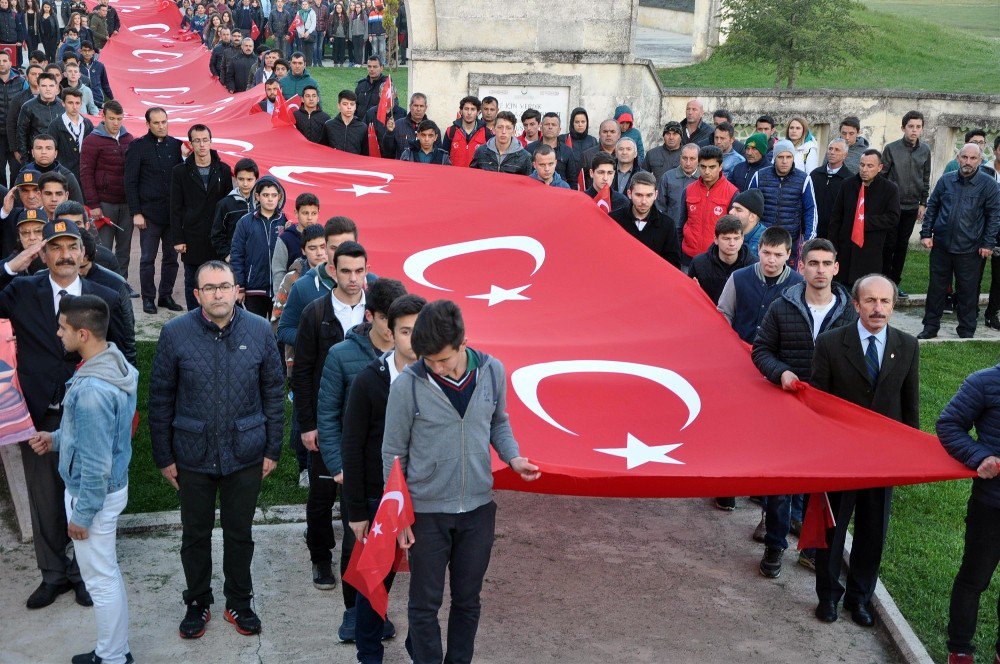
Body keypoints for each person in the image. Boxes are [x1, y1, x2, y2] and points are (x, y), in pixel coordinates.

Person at [381, 300, 539, 663]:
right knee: (425, 603)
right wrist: (399, 515)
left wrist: (512, 457)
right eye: (428, 360)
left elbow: (498, 421)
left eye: (443, 360)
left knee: (468, 601)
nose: (435, 367)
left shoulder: (493, 370)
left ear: (463, 342)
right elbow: (392, 456)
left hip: (478, 510)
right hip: (426, 512)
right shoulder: (408, 384)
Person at [0, 217, 131, 611]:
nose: (64, 255)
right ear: (43, 253)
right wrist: (11, 266)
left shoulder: (104, 293)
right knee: (44, 499)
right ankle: (53, 575)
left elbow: (123, 350)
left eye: (71, 246)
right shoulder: (22, 290)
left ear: (83, 251)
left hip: (88, 415)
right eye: (54, 247)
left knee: (84, 493)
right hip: (38, 415)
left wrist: (126, 406)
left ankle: (81, 575)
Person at [149, 260, 284, 640]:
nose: (218, 293)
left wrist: (272, 447)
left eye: (224, 286)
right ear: (197, 295)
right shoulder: (175, 333)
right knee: (195, 533)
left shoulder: (259, 331)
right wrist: (164, 456)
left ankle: (239, 602)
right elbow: (160, 397)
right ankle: (197, 601)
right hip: (192, 454)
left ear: (237, 290)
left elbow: (274, 393)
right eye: (209, 288)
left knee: (239, 533)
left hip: (245, 452)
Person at [28, 294, 137, 664]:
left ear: (84, 333)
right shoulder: (114, 363)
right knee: (108, 574)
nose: (58, 334)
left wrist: (82, 515)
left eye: (63, 328)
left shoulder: (90, 390)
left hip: (94, 495)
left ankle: (112, 657)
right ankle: (116, 651)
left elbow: (95, 462)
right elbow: (99, 435)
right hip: (112, 488)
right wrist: (56, 439)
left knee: (101, 581)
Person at [812, 274, 919, 627]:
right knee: (833, 530)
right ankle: (828, 597)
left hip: (881, 462)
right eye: (870, 301)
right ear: (856, 304)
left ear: (893, 305)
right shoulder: (830, 344)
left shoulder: (907, 346)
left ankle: (859, 599)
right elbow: (818, 405)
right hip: (839, 460)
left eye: (885, 301)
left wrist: (908, 456)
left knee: (873, 532)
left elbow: (909, 408)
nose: (878, 308)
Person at [750, 238, 856, 578]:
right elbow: (761, 350)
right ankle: (775, 545)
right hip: (788, 408)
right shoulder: (782, 307)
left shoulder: (849, 312)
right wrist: (781, 372)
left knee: (821, 485)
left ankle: (812, 549)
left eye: (827, 264)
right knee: (782, 485)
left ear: (836, 268)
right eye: (814, 263)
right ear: (802, 267)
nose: (820, 270)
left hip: (829, 412)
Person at [317, 272, 406, 642]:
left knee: (389, 550)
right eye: (389, 319)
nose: (395, 329)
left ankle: (376, 609)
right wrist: (339, 467)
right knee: (357, 544)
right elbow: (328, 415)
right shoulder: (342, 355)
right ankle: (353, 613)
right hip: (357, 472)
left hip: (397, 477)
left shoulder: (412, 358)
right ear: (371, 316)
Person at [342, 292, 425, 662]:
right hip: (380, 499)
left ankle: (418, 647)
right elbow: (353, 449)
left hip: (426, 498)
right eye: (406, 331)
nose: (415, 339)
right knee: (375, 578)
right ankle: (368, 650)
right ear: (390, 333)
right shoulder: (368, 381)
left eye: (421, 331)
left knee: (427, 581)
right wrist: (356, 511)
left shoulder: (438, 378)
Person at [938, 363, 1000, 664]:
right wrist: (981, 456)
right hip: (992, 504)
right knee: (974, 578)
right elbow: (949, 424)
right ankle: (960, 650)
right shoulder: (984, 382)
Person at [918, 143, 1000, 340]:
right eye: (964, 157)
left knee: (968, 292)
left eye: (973, 158)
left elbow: (994, 216)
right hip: (942, 246)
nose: (968, 162)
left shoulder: (989, 185)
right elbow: (933, 207)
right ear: (958, 158)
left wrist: (988, 244)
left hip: (971, 249)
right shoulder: (945, 181)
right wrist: (926, 234)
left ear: (980, 161)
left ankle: (966, 329)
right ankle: (930, 327)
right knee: (936, 289)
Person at [124, 107, 183, 315]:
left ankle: (165, 296)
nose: (161, 126)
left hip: (172, 215)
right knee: (147, 258)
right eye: (156, 123)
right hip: (148, 214)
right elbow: (130, 182)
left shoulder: (177, 146)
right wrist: (136, 212)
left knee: (171, 258)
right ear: (148, 124)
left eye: (164, 122)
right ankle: (148, 298)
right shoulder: (137, 147)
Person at [170, 124, 234, 310]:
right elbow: (175, 208)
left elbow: (229, 207)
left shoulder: (223, 170)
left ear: (211, 141)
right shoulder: (179, 172)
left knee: (220, 281)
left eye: (205, 140)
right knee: (193, 282)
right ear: (191, 144)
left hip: (218, 239)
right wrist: (178, 239)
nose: (202, 145)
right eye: (197, 141)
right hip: (192, 237)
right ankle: (194, 319)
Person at [717, 226, 803, 345]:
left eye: (778, 255)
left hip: (777, 356)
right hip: (739, 349)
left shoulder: (799, 284)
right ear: (758, 249)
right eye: (766, 252)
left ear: (788, 254)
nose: (771, 259)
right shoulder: (738, 278)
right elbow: (724, 314)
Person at [828, 149, 901, 287]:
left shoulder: (889, 189)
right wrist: (833, 245)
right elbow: (836, 217)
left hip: (871, 249)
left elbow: (893, 217)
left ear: (879, 168)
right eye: (862, 165)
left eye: (870, 166)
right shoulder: (847, 185)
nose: (864, 169)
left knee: (866, 288)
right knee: (842, 289)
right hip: (846, 248)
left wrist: (864, 222)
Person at [80, 100, 133, 282]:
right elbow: (86, 174)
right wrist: (93, 204)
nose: (116, 123)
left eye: (119, 118)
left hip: (126, 203)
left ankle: (122, 283)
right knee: (103, 249)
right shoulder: (91, 141)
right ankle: (100, 283)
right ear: (103, 117)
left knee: (124, 249)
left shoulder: (129, 139)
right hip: (104, 203)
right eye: (112, 118)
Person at [881, 110, 931, 293]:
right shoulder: (891, 149)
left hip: (912, 207)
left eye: (918, 127)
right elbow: (882, 176)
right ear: (903, 128)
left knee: (902, 246)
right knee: (889, 245)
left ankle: (895, 283)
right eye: (911, 126)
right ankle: (883, 280)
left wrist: (923, 203)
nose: (914, 130)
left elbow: (925, 178)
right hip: (893, 207)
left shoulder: (925, 150)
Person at [748, 139, 818, 264]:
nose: (785, 161)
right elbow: (748, 206)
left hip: (790, 241)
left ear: (793, 157)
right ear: (775, 158)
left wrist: (809, 239)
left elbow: (811, 210)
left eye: (789, 157)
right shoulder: (760, 176)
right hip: (762, 239)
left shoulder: (804, 179)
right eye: (780, 157)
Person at [230, 176, 287, 319]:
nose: (270, 199)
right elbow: (237, 255)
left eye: (274, 195)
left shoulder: (286, 221)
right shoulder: (245, 222)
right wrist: (240, 286)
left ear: (279, 197)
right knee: (254, 331)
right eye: (265, 195)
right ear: (257, 196)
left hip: (280, 289)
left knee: (277, 332)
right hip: (253, 288)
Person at [679, 145, 739, 261]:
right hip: (688, 256)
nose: (707, 171)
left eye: (712, 167)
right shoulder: (688, 190)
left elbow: (735, 230)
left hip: (717, 257)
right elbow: (681, 224)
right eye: (703, 167)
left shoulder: (732, 193)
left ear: (720, 166)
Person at [610, 171, 681, 268]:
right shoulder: (614, 219)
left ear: (656, 195)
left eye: (649, 195)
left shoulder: (667, 224)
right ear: (629, 193)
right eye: (639, 195)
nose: (644, 201)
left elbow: (673, 264)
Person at [688, 215, 756, 304]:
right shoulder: (699, 264)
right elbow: (689, 297)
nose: (732, 243)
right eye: (726, 238)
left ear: (742, 239)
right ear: (716, 239)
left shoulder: (754, 266)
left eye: (736, 238)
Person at [271, 191, 320, 292]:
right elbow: (279, 272)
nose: (310, 218)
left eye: (314, 213)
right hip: (292, 294)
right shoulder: (285, 238)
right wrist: (278, 299)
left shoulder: (323, 237)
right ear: (296, 213)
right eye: (305, 213)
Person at [210, 157, 257, 261]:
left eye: (249, 179)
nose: (245, 184)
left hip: (258, 260)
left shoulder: (262, 203)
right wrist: (227, 255)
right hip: (235, 260)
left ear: (256, 179)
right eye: (241, 179)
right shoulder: (225, 204)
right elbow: (217, 235)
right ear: (235, 178)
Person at [19, 133, 85, 204]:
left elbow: (78, 206)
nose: (43, 152)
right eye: (39, 148)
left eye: (48, 148)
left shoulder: (67, 176)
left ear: (56, 153)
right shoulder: (24, 174)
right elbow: (16, 204)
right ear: (32, 152)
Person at [47, 88, 93, 182]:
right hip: (63, 174)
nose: (74, 107)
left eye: (77, 103)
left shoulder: (88, 124)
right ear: (63, 103)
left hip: (85, 174)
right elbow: (51, 151)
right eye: (70, 103)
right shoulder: (55, 125)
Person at [810, 138, 851, 240]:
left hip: (836, 234)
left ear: (845, 155)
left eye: (837, 150)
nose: (832, 152)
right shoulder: (815, 174)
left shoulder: (850, 180)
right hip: (814, 231)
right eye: (830, 149)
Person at [525, 112, 579, 189]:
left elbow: (572, 181)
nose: (550, 127)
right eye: (547, 124)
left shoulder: (567, 151)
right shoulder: (529, 149)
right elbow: (524, 177)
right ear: (541, 128)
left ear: (559, 129)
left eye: (554, 125)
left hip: (560, 194)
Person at [17, 71, 63, 160]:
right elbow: (21, 134)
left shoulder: (63, 106)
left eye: (51, 86)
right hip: (36, 157)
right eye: (44, 86)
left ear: (57, 88)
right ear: (38, 88)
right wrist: (25, 160)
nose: (48, 89)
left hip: (60, 157)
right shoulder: (28, 107)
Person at [470, 111, 531, 175]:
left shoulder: (524, 157)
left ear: (514, 132)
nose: (504, 132)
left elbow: (528, 183)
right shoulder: (481, 152)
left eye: (508, 128)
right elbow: (473, 177)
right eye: (500, 127)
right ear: (493, 130)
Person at [656, 142, 699, 229]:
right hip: (672, 228)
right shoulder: (668, 177)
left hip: (695, 230)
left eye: (692, 159)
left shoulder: (704, 179)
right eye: (684, 158)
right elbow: (660, 206)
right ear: (680, 158)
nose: (688, 163)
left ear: (699, 160)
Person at [440, 96, 490, 169]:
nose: (469, 113)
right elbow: (444, 159)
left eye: (473, 109)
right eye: (466, 109)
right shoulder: (451, 131)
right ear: (461, 111)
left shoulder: (487, 133)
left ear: (478, 112)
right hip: (454, 177)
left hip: (477, 178)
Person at [0, 51, 26, 188]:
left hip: (15, 134)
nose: (1, 63)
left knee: (16, 169)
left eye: (4, 60)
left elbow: (27, 104)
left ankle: (15, 200)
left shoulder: (21, 81)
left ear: (10, 63)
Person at [382, 92, 428, 160]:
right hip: (401, 167)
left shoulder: (432, 127)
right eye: (415, 105)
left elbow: (437, 153)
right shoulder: (397, 125)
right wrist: (389, 133)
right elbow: (388, 151)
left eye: (421, 106)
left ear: (426, 108)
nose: (418, 109)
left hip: (423, 168)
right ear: (410, 106)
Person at [579, 119, 619, 191]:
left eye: (612, 132)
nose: (608, 135)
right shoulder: (587, 155)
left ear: (619, 135)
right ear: (599, 134)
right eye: (605, 131)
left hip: (616, 199)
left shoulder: (623, 156)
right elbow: (581, 182)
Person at [323, 89, 366, 155]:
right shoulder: (329, 125)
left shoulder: (362, 127)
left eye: (352, 104)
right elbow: (323, 149)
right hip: (334, 163)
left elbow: (365, 153)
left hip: (354, 163)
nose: (349, 107)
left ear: (355, 107)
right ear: (339, 106)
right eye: (345, 104)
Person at [729, 189, 766, 256]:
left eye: (738, 210)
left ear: (752, 217)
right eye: (732, 208)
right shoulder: (726, 232)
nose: (731, 212)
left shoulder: (767, 241)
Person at [78, 41, 112, 107]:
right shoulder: (77, 65)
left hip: (98, 98)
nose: (87, 53)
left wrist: (112, 98)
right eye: (84, 50)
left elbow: (105, 84)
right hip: (81, 100)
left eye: (89, 50)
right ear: (80, 51)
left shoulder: (100, 66)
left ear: (93, 52)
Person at [354, 54, 385, 119]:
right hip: (360, 123)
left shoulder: (386, 85)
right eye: (369, 66)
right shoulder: (361, 85)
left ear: (381, 68)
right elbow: (353, 105)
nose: (371, 69)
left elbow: (392, 106)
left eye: (375, 67)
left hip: (376, 124)